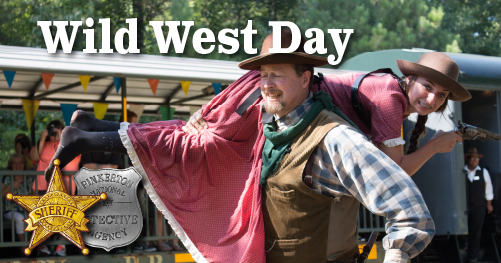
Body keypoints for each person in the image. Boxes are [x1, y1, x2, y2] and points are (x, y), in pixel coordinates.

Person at [44, 29, 435, 262]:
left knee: (195, 146)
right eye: (263, 74)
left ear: (306, 77)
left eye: (277, 74)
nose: (267, 82)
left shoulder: (334, 139)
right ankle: (94, 131)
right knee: (197, 150)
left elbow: (410, 211)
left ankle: (92, 132)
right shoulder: (268, 126)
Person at [184, 51, 470, 177]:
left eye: (442, 94)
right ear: (410, 79)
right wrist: (434, 146)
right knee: (199, 148)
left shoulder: (392, 93)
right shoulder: (390, 98)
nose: (432, 98)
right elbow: (393, 169)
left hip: (295, 115)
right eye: (428, 87)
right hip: (287, 107)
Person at [30, 119, 80, 256]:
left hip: (65, 187)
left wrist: (61, 138)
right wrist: (42, 139)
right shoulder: (44, 144)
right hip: (42, 185)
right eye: (51, 129)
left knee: (63, 216)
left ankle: (61, 247)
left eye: (57, 129)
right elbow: (34, 157)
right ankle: (42, 247)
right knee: (43, 217)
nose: (53, 132)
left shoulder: (69, 144)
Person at [463, 147, 494, 262]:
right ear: (468, 159)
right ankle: (464, 248)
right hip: (465, 207)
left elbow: (489, 189)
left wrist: (489, 203)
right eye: (473, 159)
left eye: (477, 159)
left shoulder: (483, 172)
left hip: (479, 207)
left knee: (476, 232)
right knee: (464, 231)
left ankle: (473, 257)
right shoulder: (463, 171)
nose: (476, 161)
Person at [2, 154, 33, 248]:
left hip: (27, 210)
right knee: (20, 218)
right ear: (11, 165)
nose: (18, 166)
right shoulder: (6, 178)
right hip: (10, 211)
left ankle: (40, 248)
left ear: (24, 164)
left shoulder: (30, 179)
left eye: (21, 163)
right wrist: (10, 187)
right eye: (15, 164)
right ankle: (24, 248)